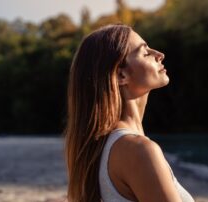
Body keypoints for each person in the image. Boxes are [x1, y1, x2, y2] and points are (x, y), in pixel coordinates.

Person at [64, 24, 194, 202]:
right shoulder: (139, 151)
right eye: (145, 52)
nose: (159, 54)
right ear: (121, 76)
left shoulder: (97, 151)